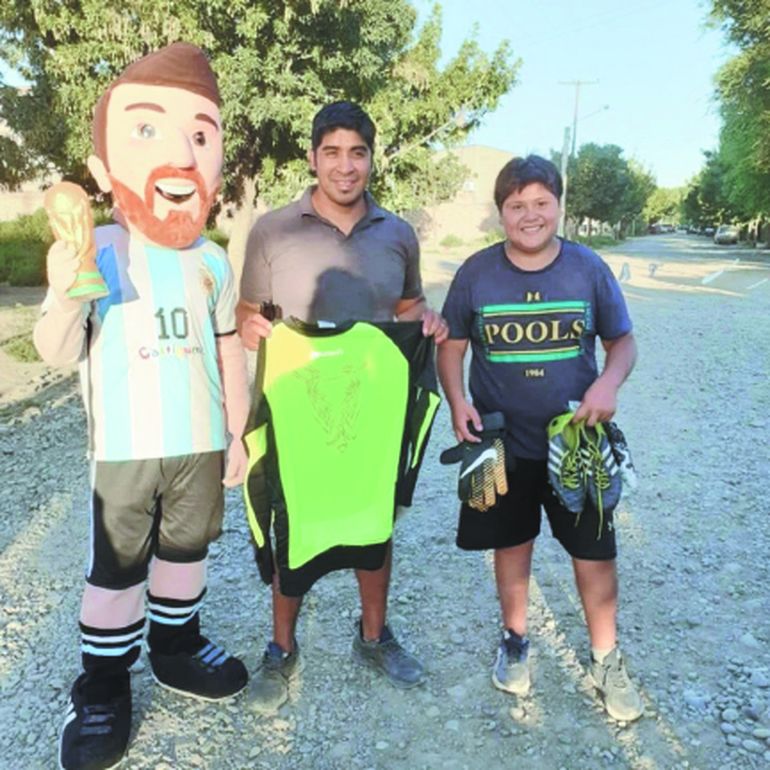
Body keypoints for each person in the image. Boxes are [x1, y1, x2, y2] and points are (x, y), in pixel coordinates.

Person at [33, 43, 250, 770]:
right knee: (117, 571)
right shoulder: (94, 247)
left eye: (198, 136)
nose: (182, 156)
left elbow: (227, 351)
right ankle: (101, 686)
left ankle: (176, 649)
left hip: (197, 444)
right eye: (150, 131)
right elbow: (58, 351)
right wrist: (66, 291)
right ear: (102, 168)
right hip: (124, 452)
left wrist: (238, 433)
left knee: (186, 557)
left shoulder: (214, 260)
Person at [237, 100, 448, 711]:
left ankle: (373, 637)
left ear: (371, 159)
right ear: (312, 158)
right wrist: (252, 328)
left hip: (371, 412)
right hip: (301, 407)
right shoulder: (274, 230)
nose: (345, 166)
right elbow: (248, 311)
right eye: (332, 152)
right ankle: (281, 649)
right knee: (291, 526)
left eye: (357, 152)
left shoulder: (398, 233)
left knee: (372, 526)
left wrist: (425, 317)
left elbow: (408, 306)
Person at [436, 154, 643, 722]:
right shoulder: (476, 273)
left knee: (594, 551)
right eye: (516, 205)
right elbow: (450, 345)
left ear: (559, 205)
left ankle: (606, 658)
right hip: (499, 444)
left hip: (577, 445)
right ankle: (515, 641)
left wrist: (608, 382)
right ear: (501, 212)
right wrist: (458, 402)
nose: (530, 215)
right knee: (512, 544)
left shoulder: (587, 268)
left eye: (541, 203)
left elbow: (622, 343)